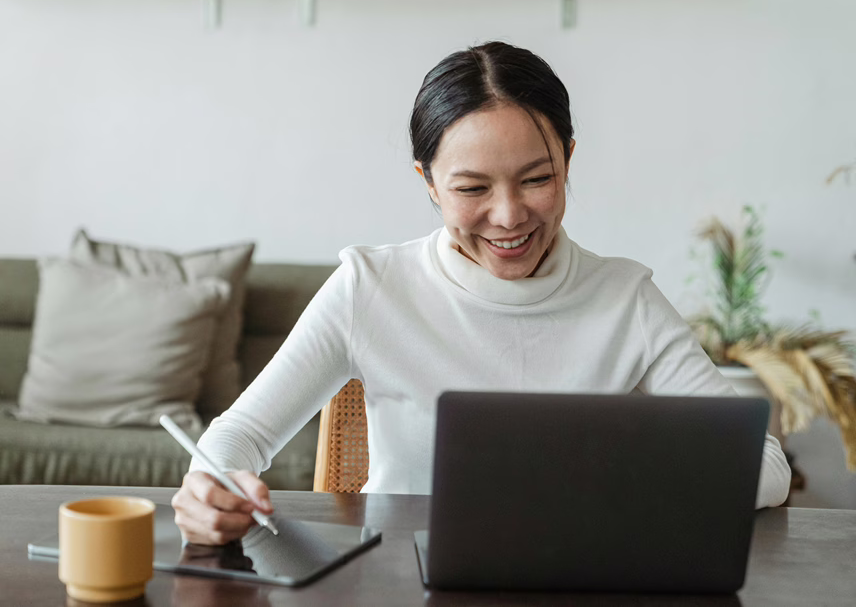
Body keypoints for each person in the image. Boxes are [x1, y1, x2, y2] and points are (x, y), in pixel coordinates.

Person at [172, 41, 792, 545]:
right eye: (471, 189)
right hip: (398, 579)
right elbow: (238, 437)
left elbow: (765, 464)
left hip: (577, 579)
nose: (508, 216)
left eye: (538, 179)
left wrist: (634, 479)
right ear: (429, 183)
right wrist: (211, 487)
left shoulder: (625, 298)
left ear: (569, 161)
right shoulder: (371, 288)